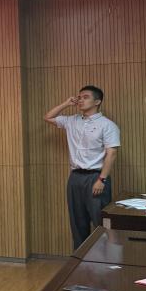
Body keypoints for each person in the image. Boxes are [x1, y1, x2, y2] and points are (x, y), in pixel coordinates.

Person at [44, 85, 120, 249]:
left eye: (85, 97)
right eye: (79, 97)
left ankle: (105, 261)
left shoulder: (107, 125)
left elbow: (112, 153)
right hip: (75, 177)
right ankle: (80, 261)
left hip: (96, 177)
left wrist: (102, 179)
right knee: (77, 222)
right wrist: (66, 103)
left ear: (97, 102)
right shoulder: (72, 121)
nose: (80, 100)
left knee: (100, 221)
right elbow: (48, 117)